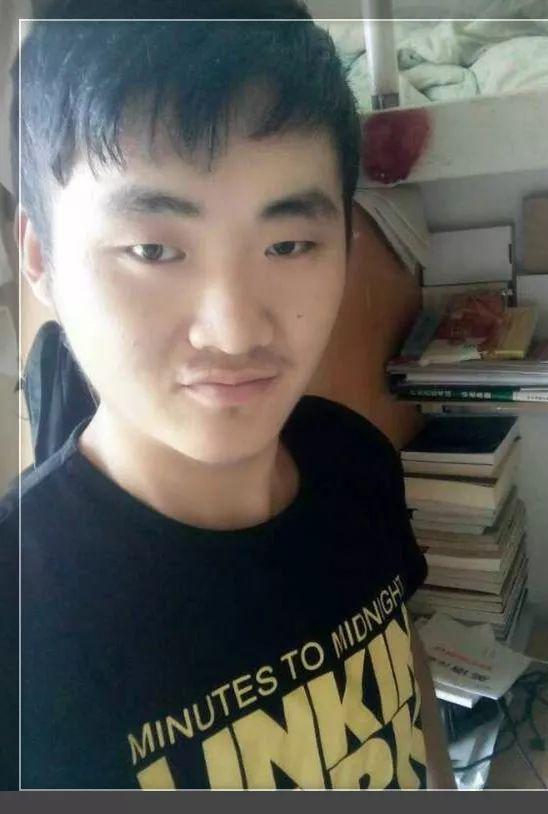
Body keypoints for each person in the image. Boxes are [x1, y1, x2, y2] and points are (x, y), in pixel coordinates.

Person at [0, 0, 455, 790]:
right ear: (38, 258)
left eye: (289, 244)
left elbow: (410, 700)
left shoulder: (356, 460)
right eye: (152, 249)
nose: (236, 330)